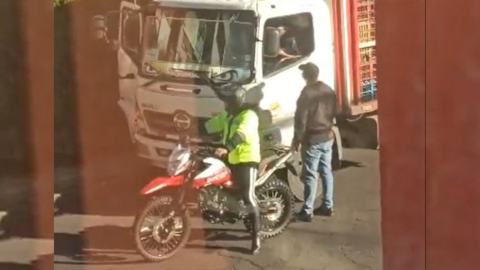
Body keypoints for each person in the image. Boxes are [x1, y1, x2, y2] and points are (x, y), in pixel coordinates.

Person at [204, 87, 262, 254]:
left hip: (247, 160)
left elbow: (241, 135)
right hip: (231, 159)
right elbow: (211, 125)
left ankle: (256, 237)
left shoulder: (249, 116)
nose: (226, 107)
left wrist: (227, 148)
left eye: (229, 104)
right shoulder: (229, 115)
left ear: (237, 103)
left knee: (248, 196)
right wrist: (190, 128)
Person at [291, 62, 338, 222]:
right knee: (326, 171)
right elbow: (335, 111)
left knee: (310, 175)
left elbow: (300, 119)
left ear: (305, 76)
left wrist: (297, 139)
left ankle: (307, 210)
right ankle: (327, 206)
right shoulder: (328, 90)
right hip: (327, 136)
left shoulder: (307, 93)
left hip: (313, 139)